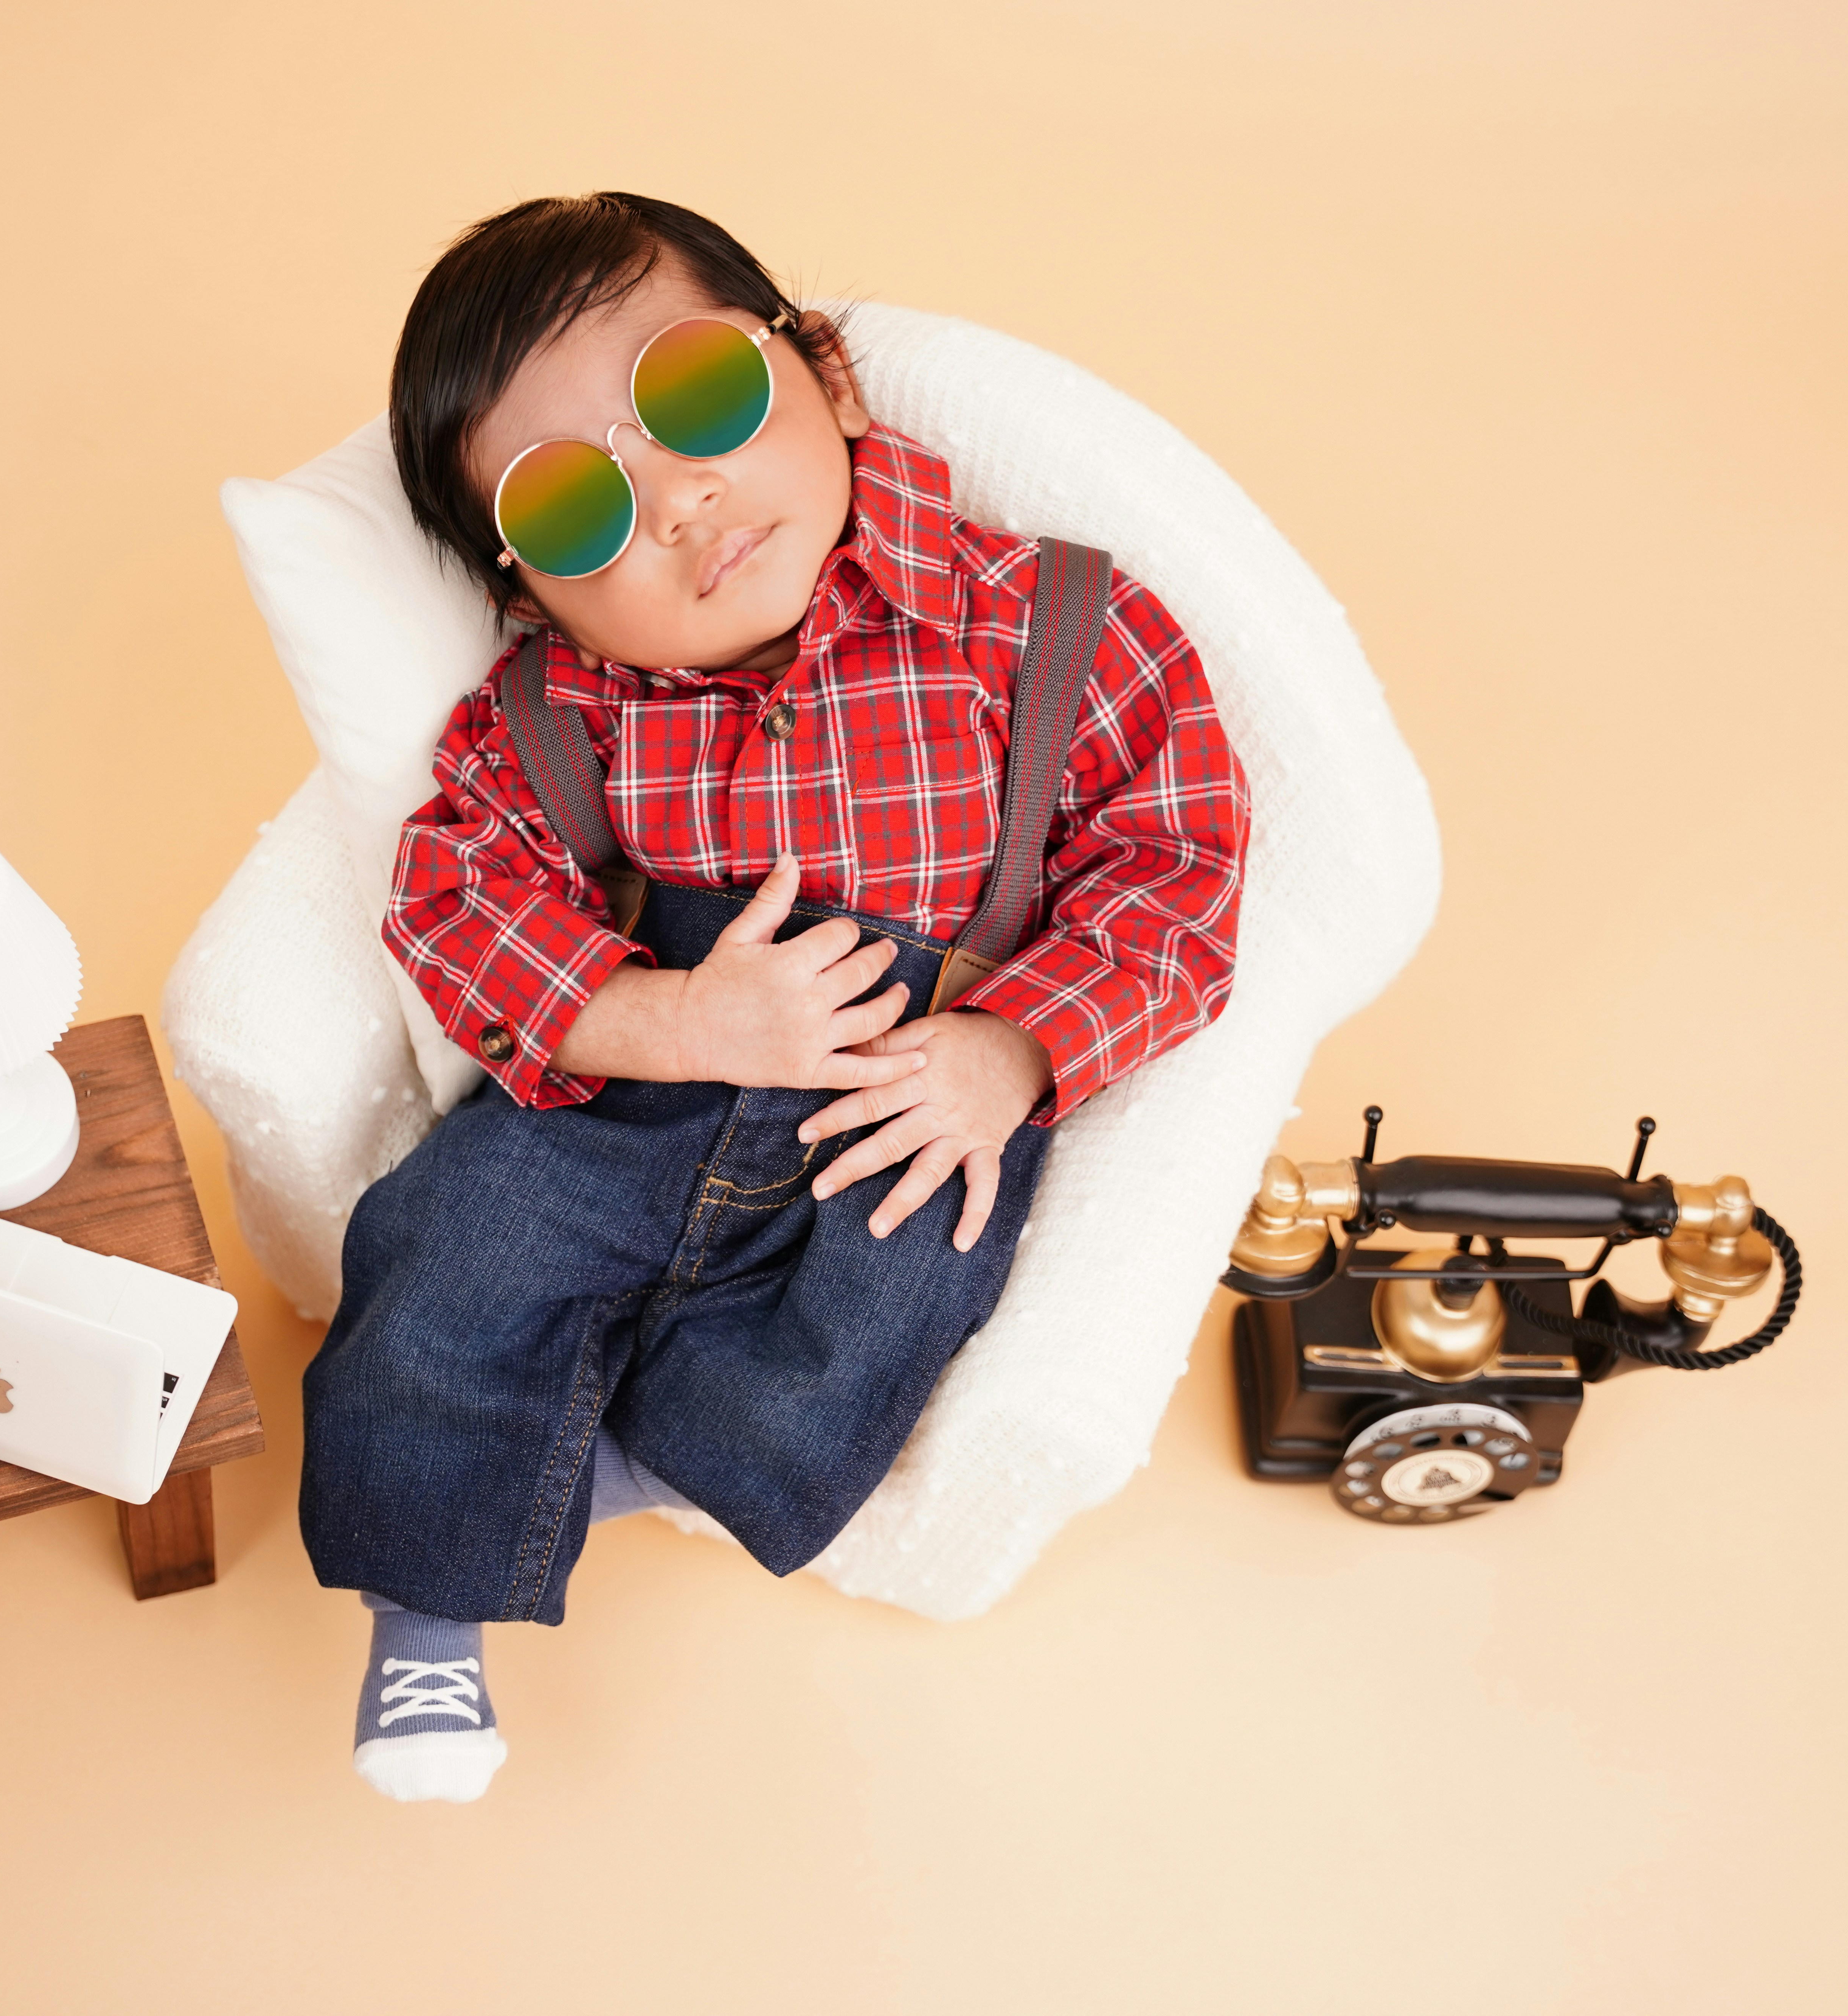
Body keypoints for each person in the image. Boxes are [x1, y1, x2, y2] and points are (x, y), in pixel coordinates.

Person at [300, 193, 1251, 1801]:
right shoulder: (560, 712)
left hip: (901, 1093)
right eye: (575, 504)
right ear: (527, 591)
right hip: (637, 1088)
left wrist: (1011, 1050)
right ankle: (425, 1613)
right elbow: (454, 900)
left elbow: (1179, 868)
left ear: (827, 375)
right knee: (447, 1246)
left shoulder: (1050, 628)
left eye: (695, 398)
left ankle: (594, 1470)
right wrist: (655, 1019)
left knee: (884, 1305)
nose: (676, 500)